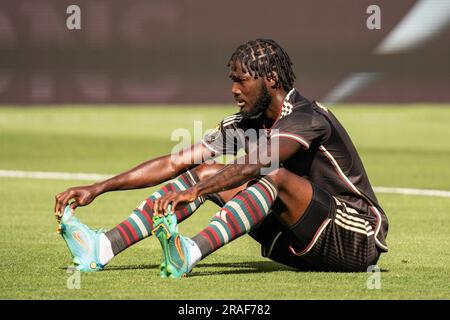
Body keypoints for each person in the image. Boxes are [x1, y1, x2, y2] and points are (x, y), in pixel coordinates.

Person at [54, 38, 388, 277]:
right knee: (202, 172)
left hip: (355, 238)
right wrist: (99, 187)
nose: (233, 90)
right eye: (232, 81)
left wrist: (195, 194)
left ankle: (189, 253)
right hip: (297, 243)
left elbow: (257, 163)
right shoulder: (248, 123)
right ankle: (103, 247)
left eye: (241, 80)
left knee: (268, 173)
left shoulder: (305, 117)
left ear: (270, 79)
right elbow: (175, 162)